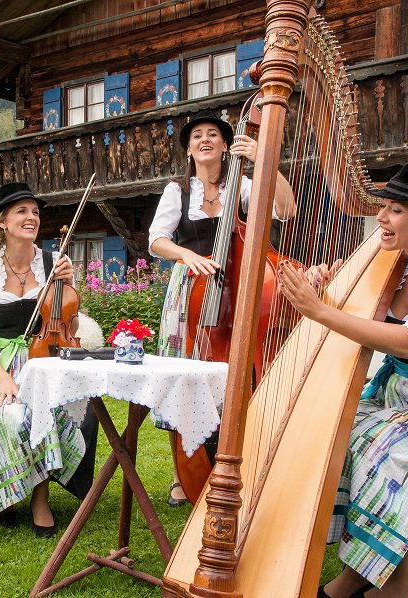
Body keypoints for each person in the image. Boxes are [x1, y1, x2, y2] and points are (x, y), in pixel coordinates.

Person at [278, 162, 408, 598]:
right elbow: (358, 314)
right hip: (393, 393)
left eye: (396, 210)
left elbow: (406, 342)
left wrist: (322, 311)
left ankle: (405, 578)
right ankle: (365, 571)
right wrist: (325, 289)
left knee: (365, 440)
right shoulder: (397, 268)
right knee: (325, 427)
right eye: (382, 207)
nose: (381, 218)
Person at [149, 110, 296, 506]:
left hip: (240, 290)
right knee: (184, 376)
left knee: (238, 377)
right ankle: (185, 471)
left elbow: (286, 210)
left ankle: (240, 461)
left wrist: (267, 160)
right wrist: (185, 256)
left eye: (213, 134)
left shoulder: (243, 184)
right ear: (189, 148)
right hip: (190, 293)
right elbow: (157, 240)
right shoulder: (177, 191)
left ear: (227, 145)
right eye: (197, 135)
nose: (205, 139)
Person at [0, 182, 96, 537]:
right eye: (21, 211)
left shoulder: (52, 264)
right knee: (9, 413)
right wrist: (4, 379)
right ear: (1, 221)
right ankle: (7, 489)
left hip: (44, 357)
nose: (32, 217)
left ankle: (39, 498)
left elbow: (70, 323)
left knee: (51, 409)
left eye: (35, 211)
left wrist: (69, 284)